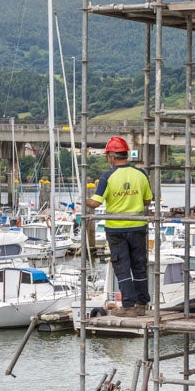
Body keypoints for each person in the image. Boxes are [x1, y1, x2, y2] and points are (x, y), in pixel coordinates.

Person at [85, 136, 154, 317]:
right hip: (138, 227)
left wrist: (83, 199)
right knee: (139, 265)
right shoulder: (141, 174)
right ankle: (141, 304)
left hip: (116, 230)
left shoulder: (107, 177)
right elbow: (147, 200)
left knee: (122, 267)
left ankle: (128, 306)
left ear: (112, 157)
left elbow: (95, 203)